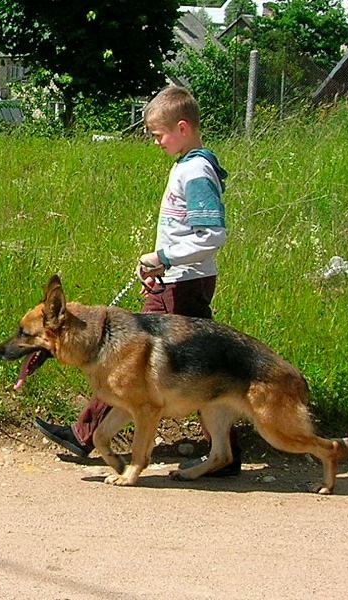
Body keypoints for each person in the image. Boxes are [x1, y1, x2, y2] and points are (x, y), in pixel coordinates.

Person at [34, 85, 241, 476]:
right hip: (174, 279)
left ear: (182, 127)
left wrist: (164, 259)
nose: (156, 141)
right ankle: (87, 433)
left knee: (143, 358)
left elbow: (212, 235)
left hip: (184, 283)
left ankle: (88, 435)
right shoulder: (187, 163)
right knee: (162, 360)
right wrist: (158, 267)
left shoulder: (196, 170)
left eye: (158, 134)